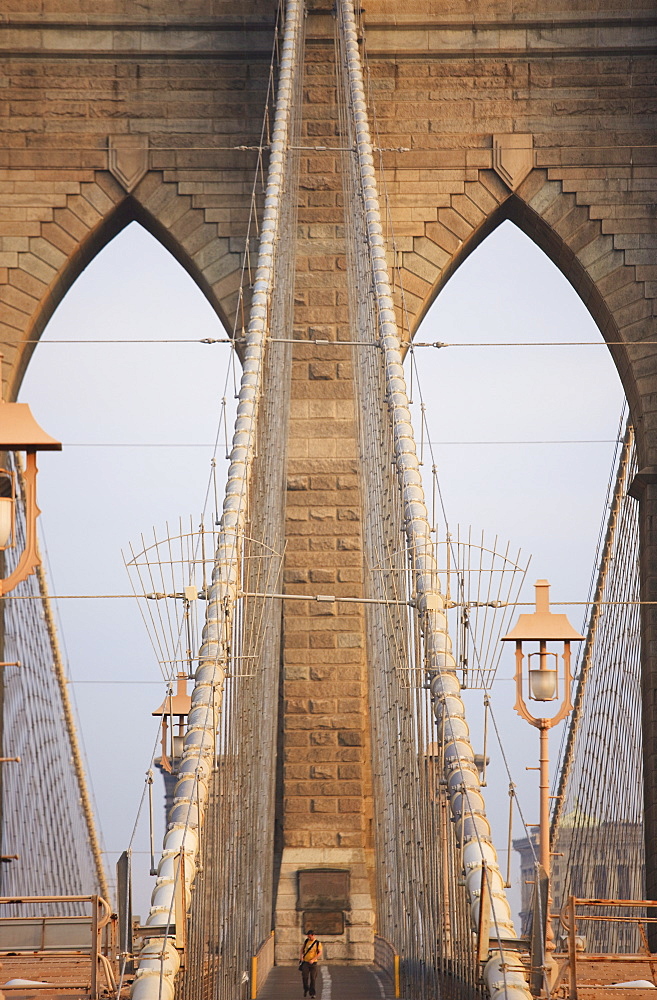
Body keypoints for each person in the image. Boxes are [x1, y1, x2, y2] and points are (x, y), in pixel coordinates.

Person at [299, 929, 322, 998]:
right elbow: (302, 949)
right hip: (306, 962)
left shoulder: (317, 943)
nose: (309, 938)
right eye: (308, 937)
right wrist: (301, 957)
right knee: (305, 977)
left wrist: (313, 959)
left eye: (310, 937)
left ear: (313, 935)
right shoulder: (306, 941)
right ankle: (306, 988)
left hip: (313, 963)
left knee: (313, 978)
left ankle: (312, 993)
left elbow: (320, 952)